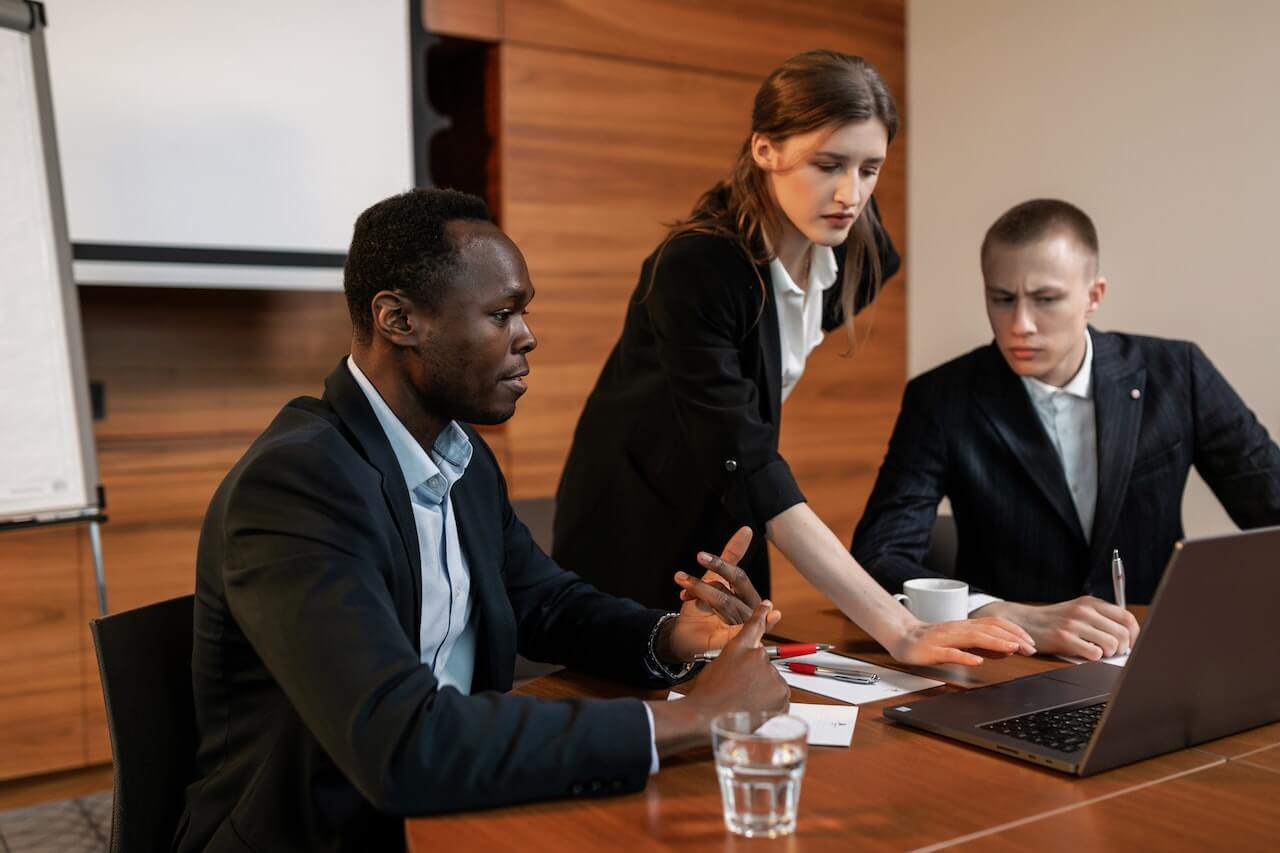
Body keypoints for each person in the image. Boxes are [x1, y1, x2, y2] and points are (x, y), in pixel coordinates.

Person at [176, 188, 792, 853]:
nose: (528, 335)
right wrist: (696, 717)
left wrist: (674, 635)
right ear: (398, 319)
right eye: (502, 313)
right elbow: (400, 742)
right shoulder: (298, 484)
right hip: (330, 831)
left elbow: (546, 601)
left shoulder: (460, 459)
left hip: (454, 811)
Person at [553, 49, 1035, 667]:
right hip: (634, 522)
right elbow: (751, 460)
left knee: (742, 690)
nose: (850, 193)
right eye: (827, 164)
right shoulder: (698, 268)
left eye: (870, 168)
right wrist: (903, 630)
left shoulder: (855, 244)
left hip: (732, 509)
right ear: (765, 150)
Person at [852, 198, 1280, 660]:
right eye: (1001, 298)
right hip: (1004, 668)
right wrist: (998, 613)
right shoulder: (940, 397)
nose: (1020, 325)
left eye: (1046, 299)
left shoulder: (1179, 373)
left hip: (1155, 659)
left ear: (1093, 296)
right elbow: (880, 554)